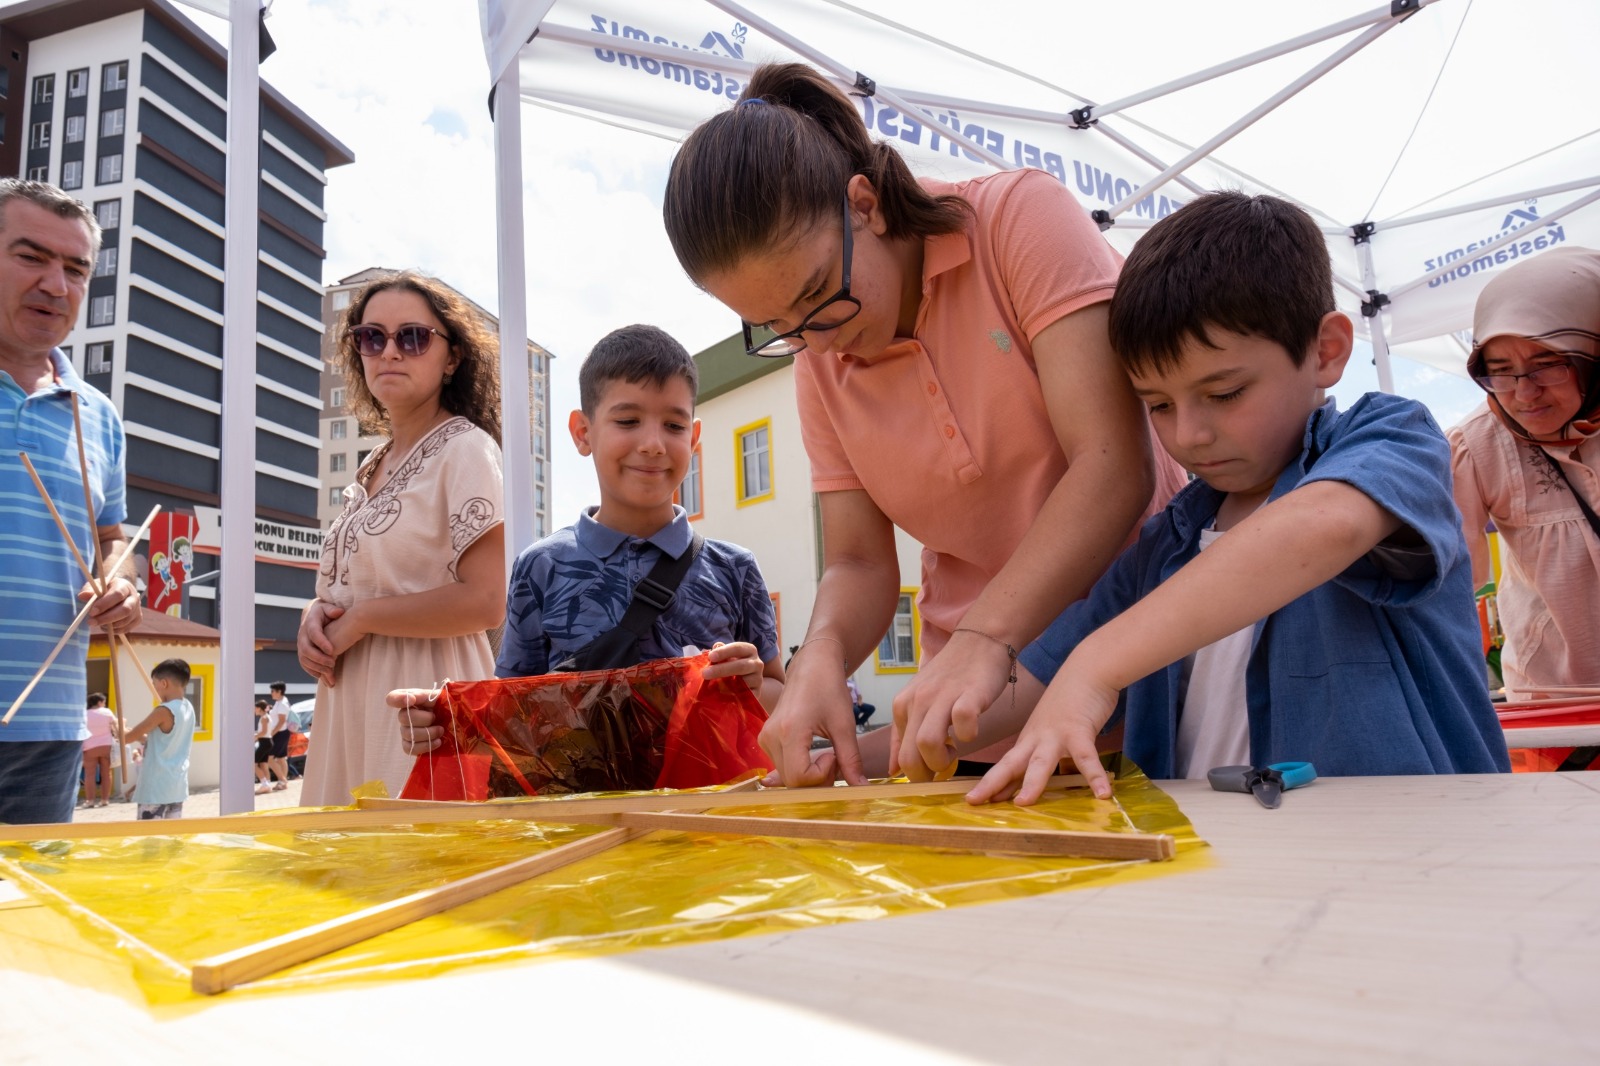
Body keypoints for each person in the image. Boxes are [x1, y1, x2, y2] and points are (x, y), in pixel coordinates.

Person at [662, 64, 1184, 788]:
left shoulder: (1018, 223)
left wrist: (987, 635)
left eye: (818, 295)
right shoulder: (817, 356)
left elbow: (1112, 463)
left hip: (1146, 682)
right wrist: (821, 655)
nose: (815, 343)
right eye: (775, 326)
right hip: (967, 721)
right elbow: (860, 563)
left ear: (865, 203)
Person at [898, 191, 1511, 805]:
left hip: (1419, 857)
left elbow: (1324, 524)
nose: (1188, 434)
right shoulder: (1166, 545)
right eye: (1158, 405)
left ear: (1326, 351)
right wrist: (853, 751)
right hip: (1219, 868)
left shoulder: (1393, 440)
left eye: (1224, 393)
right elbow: (1034, 682)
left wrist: (1098, 665)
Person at [393, 325, 783, 756]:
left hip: (711, 813)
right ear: (582, 432)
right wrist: (443, 720)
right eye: (628, 421)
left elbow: (779, 698)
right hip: (581, 817)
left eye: (673, 424)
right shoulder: (541, 567)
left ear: (693, 439)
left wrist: (749, 684)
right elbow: (510, 718)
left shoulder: (734, 568)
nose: (653, 444)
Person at [297, 271, 507, 805]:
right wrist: (316, 617)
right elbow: (360, 584)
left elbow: (486, 602)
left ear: (452, 357)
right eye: (372, 337)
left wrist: (364, 618)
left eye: (412, 337)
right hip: (348, 701)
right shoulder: (370, 466)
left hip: (424, 705)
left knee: (414, 869)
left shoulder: (466, 449)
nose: (389, 351)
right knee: (344, 875)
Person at [0, 179, 140, 826]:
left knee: (25, 925)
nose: (57, 285)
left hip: (49, 730)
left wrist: (120, 581)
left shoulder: (100, 417)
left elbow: (112, 538)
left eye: (76, 268)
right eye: (31, 257)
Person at [1447, 248, 1600, 700]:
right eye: (1501, 373)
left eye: (1548, 365)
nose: (1524, 393)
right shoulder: (1475, 446)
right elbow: (1451, 584)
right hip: (1555, 703)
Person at [123, 658, 194, 820]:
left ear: (164, 683)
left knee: (150, 841)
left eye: (154, 684)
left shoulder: (163, 711)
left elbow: (127, 738)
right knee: (171, 839)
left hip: (155, 788)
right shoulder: (188, 707)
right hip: (176, 785)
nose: (154, 688)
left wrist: (118, 727)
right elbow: (161, 740)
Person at [81, 693, 117, 808]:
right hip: (106, 745)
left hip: (89, 746)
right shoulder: (107, 712)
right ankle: (105, 800)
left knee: (89, 775)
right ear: (100, 702)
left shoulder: (84, 714)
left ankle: (90, 801)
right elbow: (115, 727)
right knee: (106, 773)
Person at [264, 681, 291, 791]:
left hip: (280, 733)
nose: (271, 693)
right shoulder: (279, 702)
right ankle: (282, 782)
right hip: (280, 733)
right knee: (280, 759)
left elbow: (281, 721)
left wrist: (271, 734)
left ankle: (283, 780)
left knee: (269, 758)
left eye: (273, 691)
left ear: (279, 691)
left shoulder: (282, 704)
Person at [252, 698, 277, 795]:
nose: (254, 710)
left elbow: (263, 732)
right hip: (266, 742)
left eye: (255, 708)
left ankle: (265, 784)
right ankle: (267, 785)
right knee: (263, 764)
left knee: (252, 764)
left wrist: (255, 736)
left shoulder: (264, 718)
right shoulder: (266, 717)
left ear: (259, 709)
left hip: (265, 743)